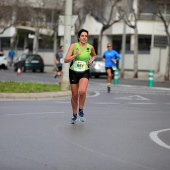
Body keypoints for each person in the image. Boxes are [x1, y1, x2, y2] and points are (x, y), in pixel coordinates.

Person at [64, 29, 96, 124]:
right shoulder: (74, 46)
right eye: (82, 36)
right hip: (73, 71)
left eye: (86, 36)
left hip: (84, 71)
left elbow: (94, 55)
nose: (84, 37)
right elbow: (66, 60)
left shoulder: (90, 47)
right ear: (79, 37)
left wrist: (91, 61)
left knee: (82, 91)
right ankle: (74, 115)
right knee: (74, 95)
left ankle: (81, 110)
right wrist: (75, 55)